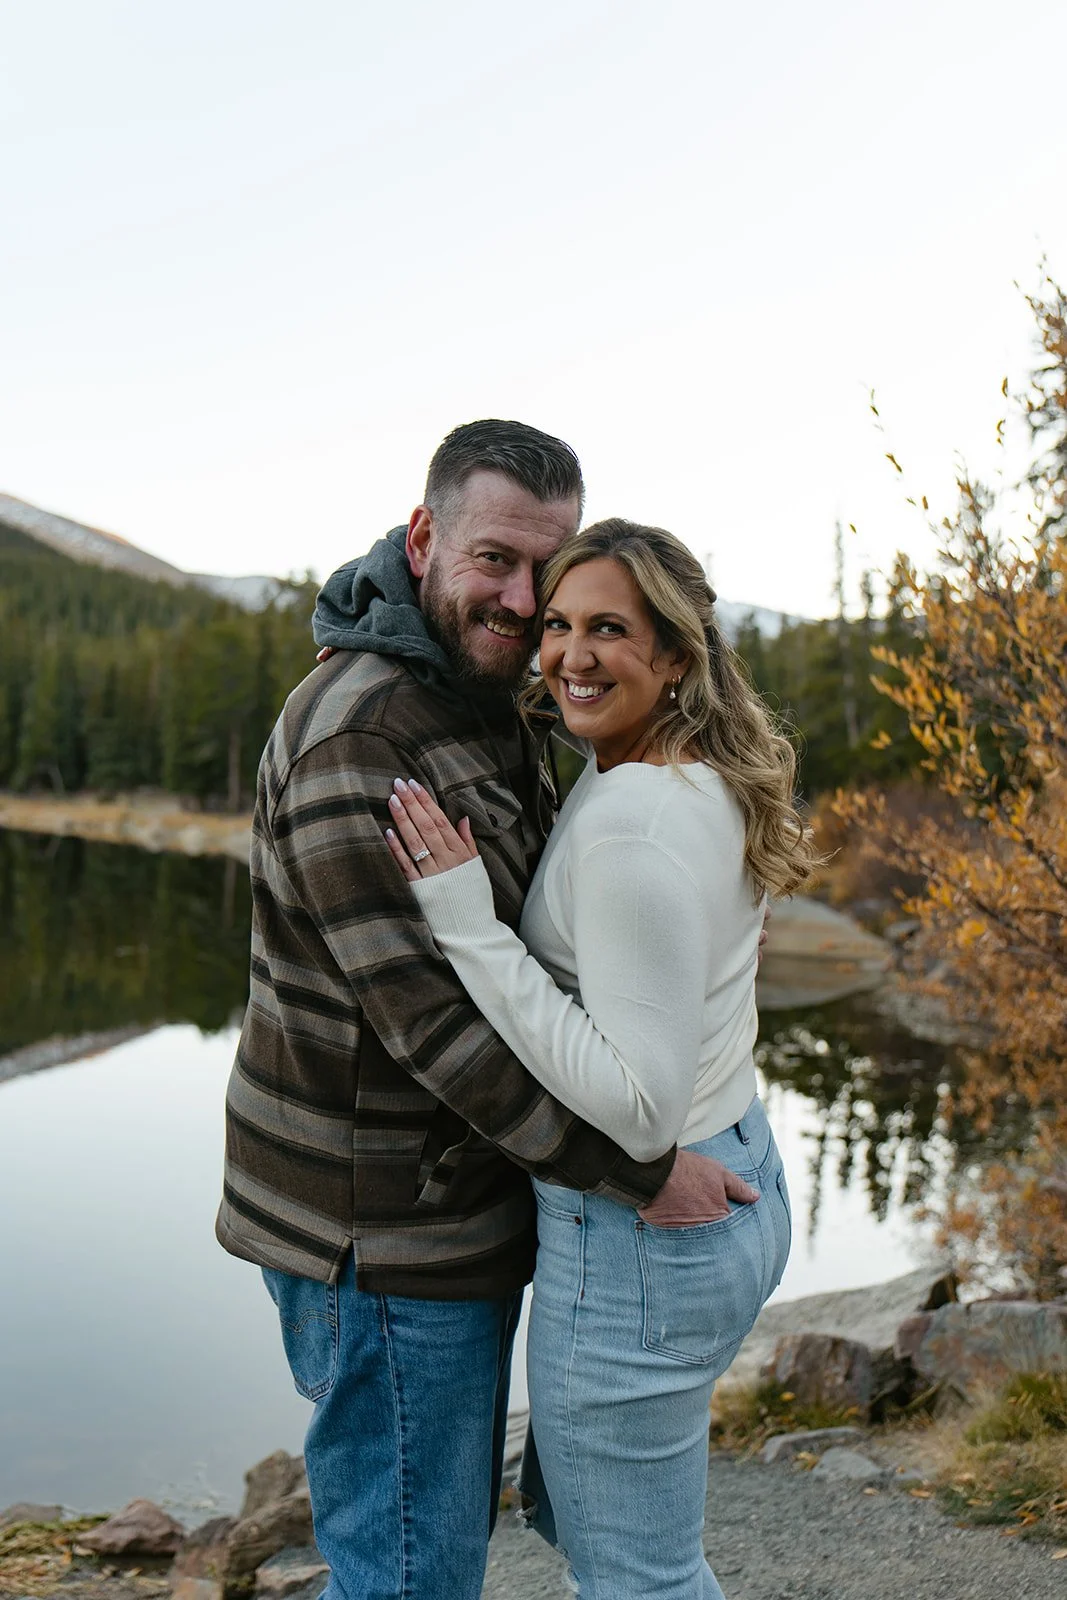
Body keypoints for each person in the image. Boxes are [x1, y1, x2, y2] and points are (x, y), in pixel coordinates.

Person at [216, 424, 761, 1600]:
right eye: (495, 562)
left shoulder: (481, 694)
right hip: (382, 1236)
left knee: (445, 1548)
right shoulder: (362, 736)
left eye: (548, 575)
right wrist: (630, 1170)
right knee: (411, 1568)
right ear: (423, 539)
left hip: (468, 1203)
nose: (523, 606)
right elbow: (432, 1029)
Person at [384, 517, 818, 1599]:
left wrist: (467, 923)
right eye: (560, 625)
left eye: (610, 630)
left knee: (635, 1577)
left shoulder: (631, 821)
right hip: (733, 1175)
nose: (570, 654)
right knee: (634, 1557)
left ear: (674, 655)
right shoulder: (688, 774)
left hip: (640, 1240)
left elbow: (634, 1108)